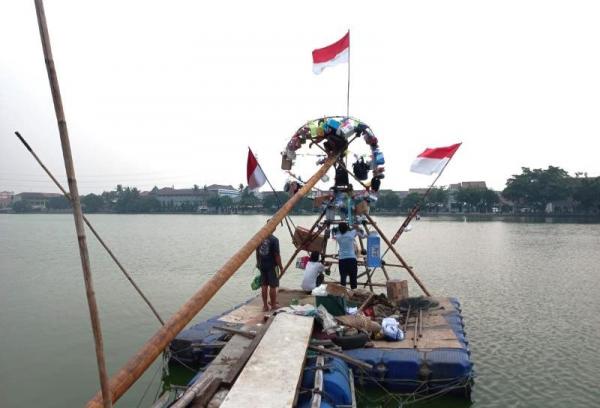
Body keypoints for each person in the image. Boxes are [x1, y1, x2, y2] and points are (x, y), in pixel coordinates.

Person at [256, 229, 284, 311]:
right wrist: (281, 267)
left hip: (262, 265)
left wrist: (258, 263)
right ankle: (273, 305)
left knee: (264, 285)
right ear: (274, 228)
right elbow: (277, 255)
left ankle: (265, 306)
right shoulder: (274, 240)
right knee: (273, 286)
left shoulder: (259, 238)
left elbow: (257, 252)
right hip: (271, 266)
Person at [333, 222, 366, 289]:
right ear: (347, 228)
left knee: (343, 278)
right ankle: (353, 293)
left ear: (340, 229)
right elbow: (363, 235)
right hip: (351, 259)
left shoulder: (338, 236)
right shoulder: (351, 233)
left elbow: (334, 233)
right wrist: (357, 227)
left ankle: (343, 294)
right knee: (353, 278)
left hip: (342, 259)